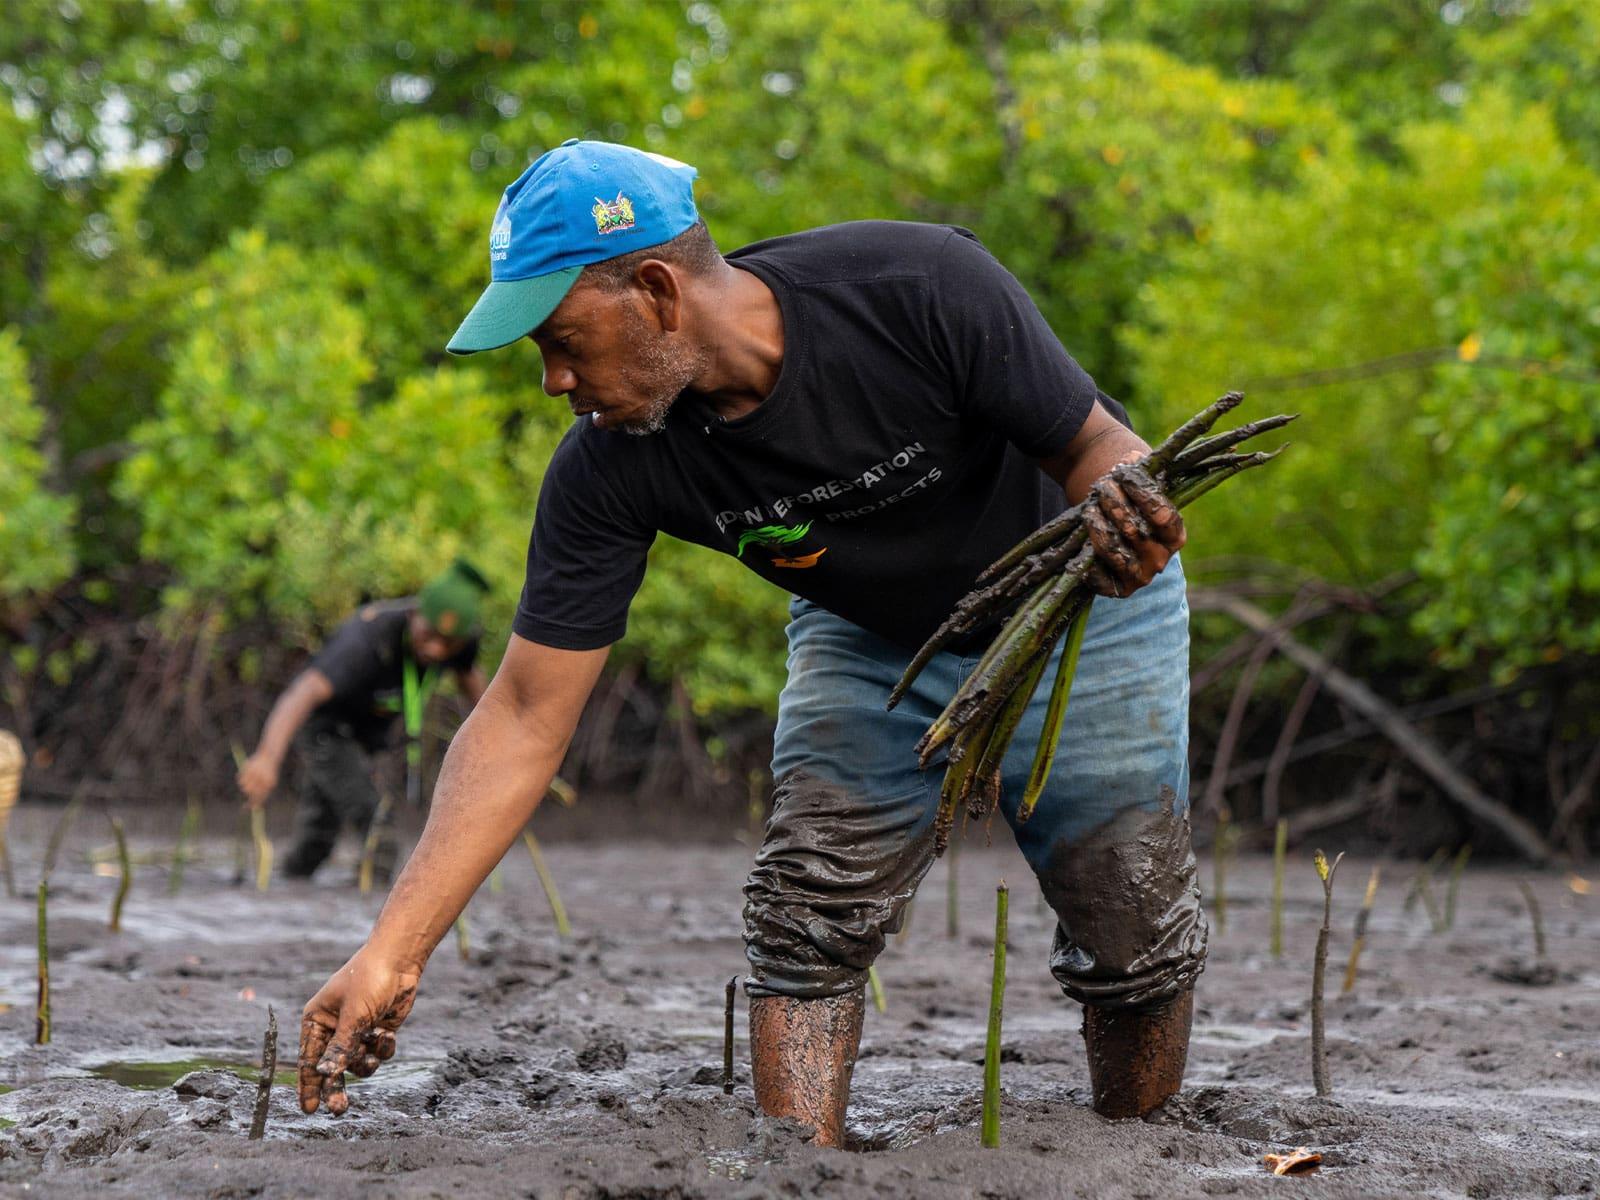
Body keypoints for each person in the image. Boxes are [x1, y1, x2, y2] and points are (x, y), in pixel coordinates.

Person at [295, 140, 1204, 1142]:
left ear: (656, 291)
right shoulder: (607, 467)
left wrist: (1131, 511)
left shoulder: (917, 286)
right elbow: (519, 714)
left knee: (1131, 924)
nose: (554, 380)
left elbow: (1095, 448)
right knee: (805, 913)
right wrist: (394, 949)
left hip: (1073, 598)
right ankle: (797, 1165)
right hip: (870, 638)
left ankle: (1137, 1153)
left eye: (562, 340)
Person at [237, 559, 490, 882]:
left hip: (366, 733)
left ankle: (287, 883)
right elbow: (302, 694)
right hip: (325, 728)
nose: (436, 650)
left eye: (448, 643)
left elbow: (478, 691)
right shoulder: (368, 637)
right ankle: (371, 916)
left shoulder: (461, 642)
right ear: (415, 614)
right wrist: (267, 758)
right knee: (378, 831)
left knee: (318, 836)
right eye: (429, 635)